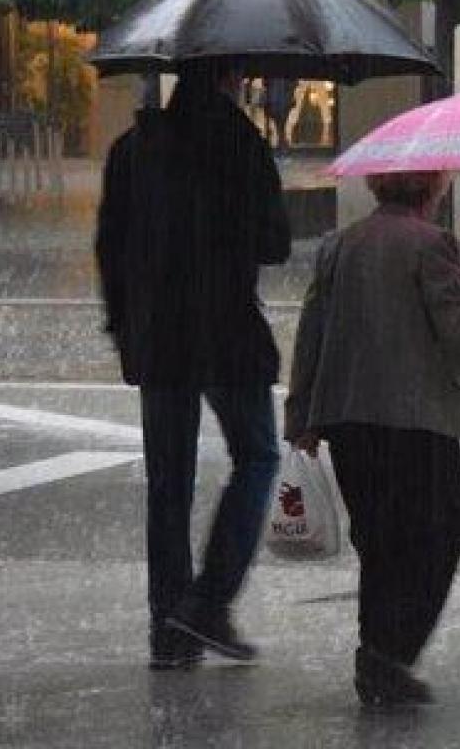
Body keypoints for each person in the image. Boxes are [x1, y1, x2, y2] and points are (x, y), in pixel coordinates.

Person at [285, 170, 460, 708]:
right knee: (441, 535)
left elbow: (312, 329)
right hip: (417, 421)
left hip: (349, 418)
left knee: (380, 542)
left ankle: (377, 656)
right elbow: (458, 330)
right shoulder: (433, 244)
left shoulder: (339, 244)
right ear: (432, 190)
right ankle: (389, 656)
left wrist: (303, 415)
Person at [95, 66, 291, 670]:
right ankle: (208, 600)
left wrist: (125, 324)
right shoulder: (241, 144)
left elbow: (110, 246)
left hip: (159, 336)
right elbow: (275, 245)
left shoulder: (132, 149)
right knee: (257, 457)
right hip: (226, 331)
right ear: (231, 80)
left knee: (168, 484)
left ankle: (169, 630)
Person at [262, 77, 297, 152]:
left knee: (280, 122)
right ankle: (282, 142)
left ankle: (281, 142)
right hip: (278, 98)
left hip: (279, 98)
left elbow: (265, 82)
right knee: (280, 122)